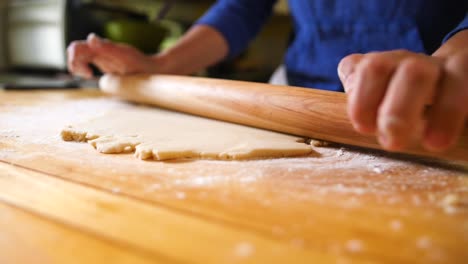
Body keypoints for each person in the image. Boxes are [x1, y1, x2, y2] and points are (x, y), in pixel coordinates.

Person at [67, 0, 468, 154]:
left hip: (434, 108)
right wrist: (162, 66)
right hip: (299, 104)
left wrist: (457, 54)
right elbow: (241, 8)